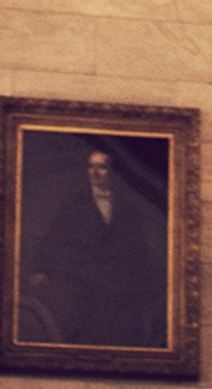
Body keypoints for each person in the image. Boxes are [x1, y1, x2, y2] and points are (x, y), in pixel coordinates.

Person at [23, 144, 167, 347]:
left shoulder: (127, 208)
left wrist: (148, 287)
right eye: (91, 167)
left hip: (117, 286)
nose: (95, 172)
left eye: (101, 167)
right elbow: (54, 238)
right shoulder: (75, 205)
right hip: (82, 284)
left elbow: (138, 248)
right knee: (85, 331)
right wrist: (41, 270)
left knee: (120, 331)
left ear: (112, 172)